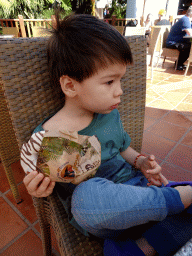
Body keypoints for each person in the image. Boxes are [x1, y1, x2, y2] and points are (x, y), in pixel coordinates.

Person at [22, 13, 192, 256]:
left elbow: (124, 149)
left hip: (140, 194)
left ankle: (141, 247)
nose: (119, 92)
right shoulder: (47, 139)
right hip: (103, 215)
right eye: (110, 82)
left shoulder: (109, 115)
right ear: (70, 85)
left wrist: (141, 162)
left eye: (120, 80)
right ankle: (182, 197)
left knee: (165, 206)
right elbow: (45, 183)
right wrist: (37, 189)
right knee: (85, 197)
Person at [166, 6, 192, 71]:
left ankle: (180, 62)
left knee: (189, 44)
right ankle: (179, 64)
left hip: (178, 41)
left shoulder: (188, 20)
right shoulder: (185, 20)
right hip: (172, 42)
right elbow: (190, 33)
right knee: (188, 47)